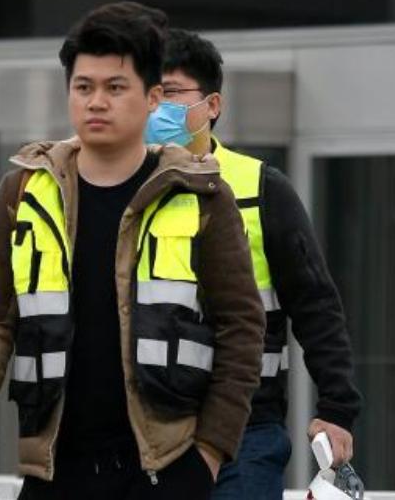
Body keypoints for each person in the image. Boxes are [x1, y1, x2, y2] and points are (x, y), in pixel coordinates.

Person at [0, 1, 265, 499]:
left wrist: (211, 452)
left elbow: (242, 328)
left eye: (115, 88)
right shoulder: (25, 190)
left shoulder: (200, 195)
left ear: (153, 97)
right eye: (83, 87)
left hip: (166, 468)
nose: (96, 102)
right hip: (53, 469)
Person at [153, 28, 362, 500]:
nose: (158, 109)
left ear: (213, 105)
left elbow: (315, 305)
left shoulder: (260, 187)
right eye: (151, 95)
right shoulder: (128, 191)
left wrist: (337, 406)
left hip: (247, 426)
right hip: (150, 429)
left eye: (171, 94)